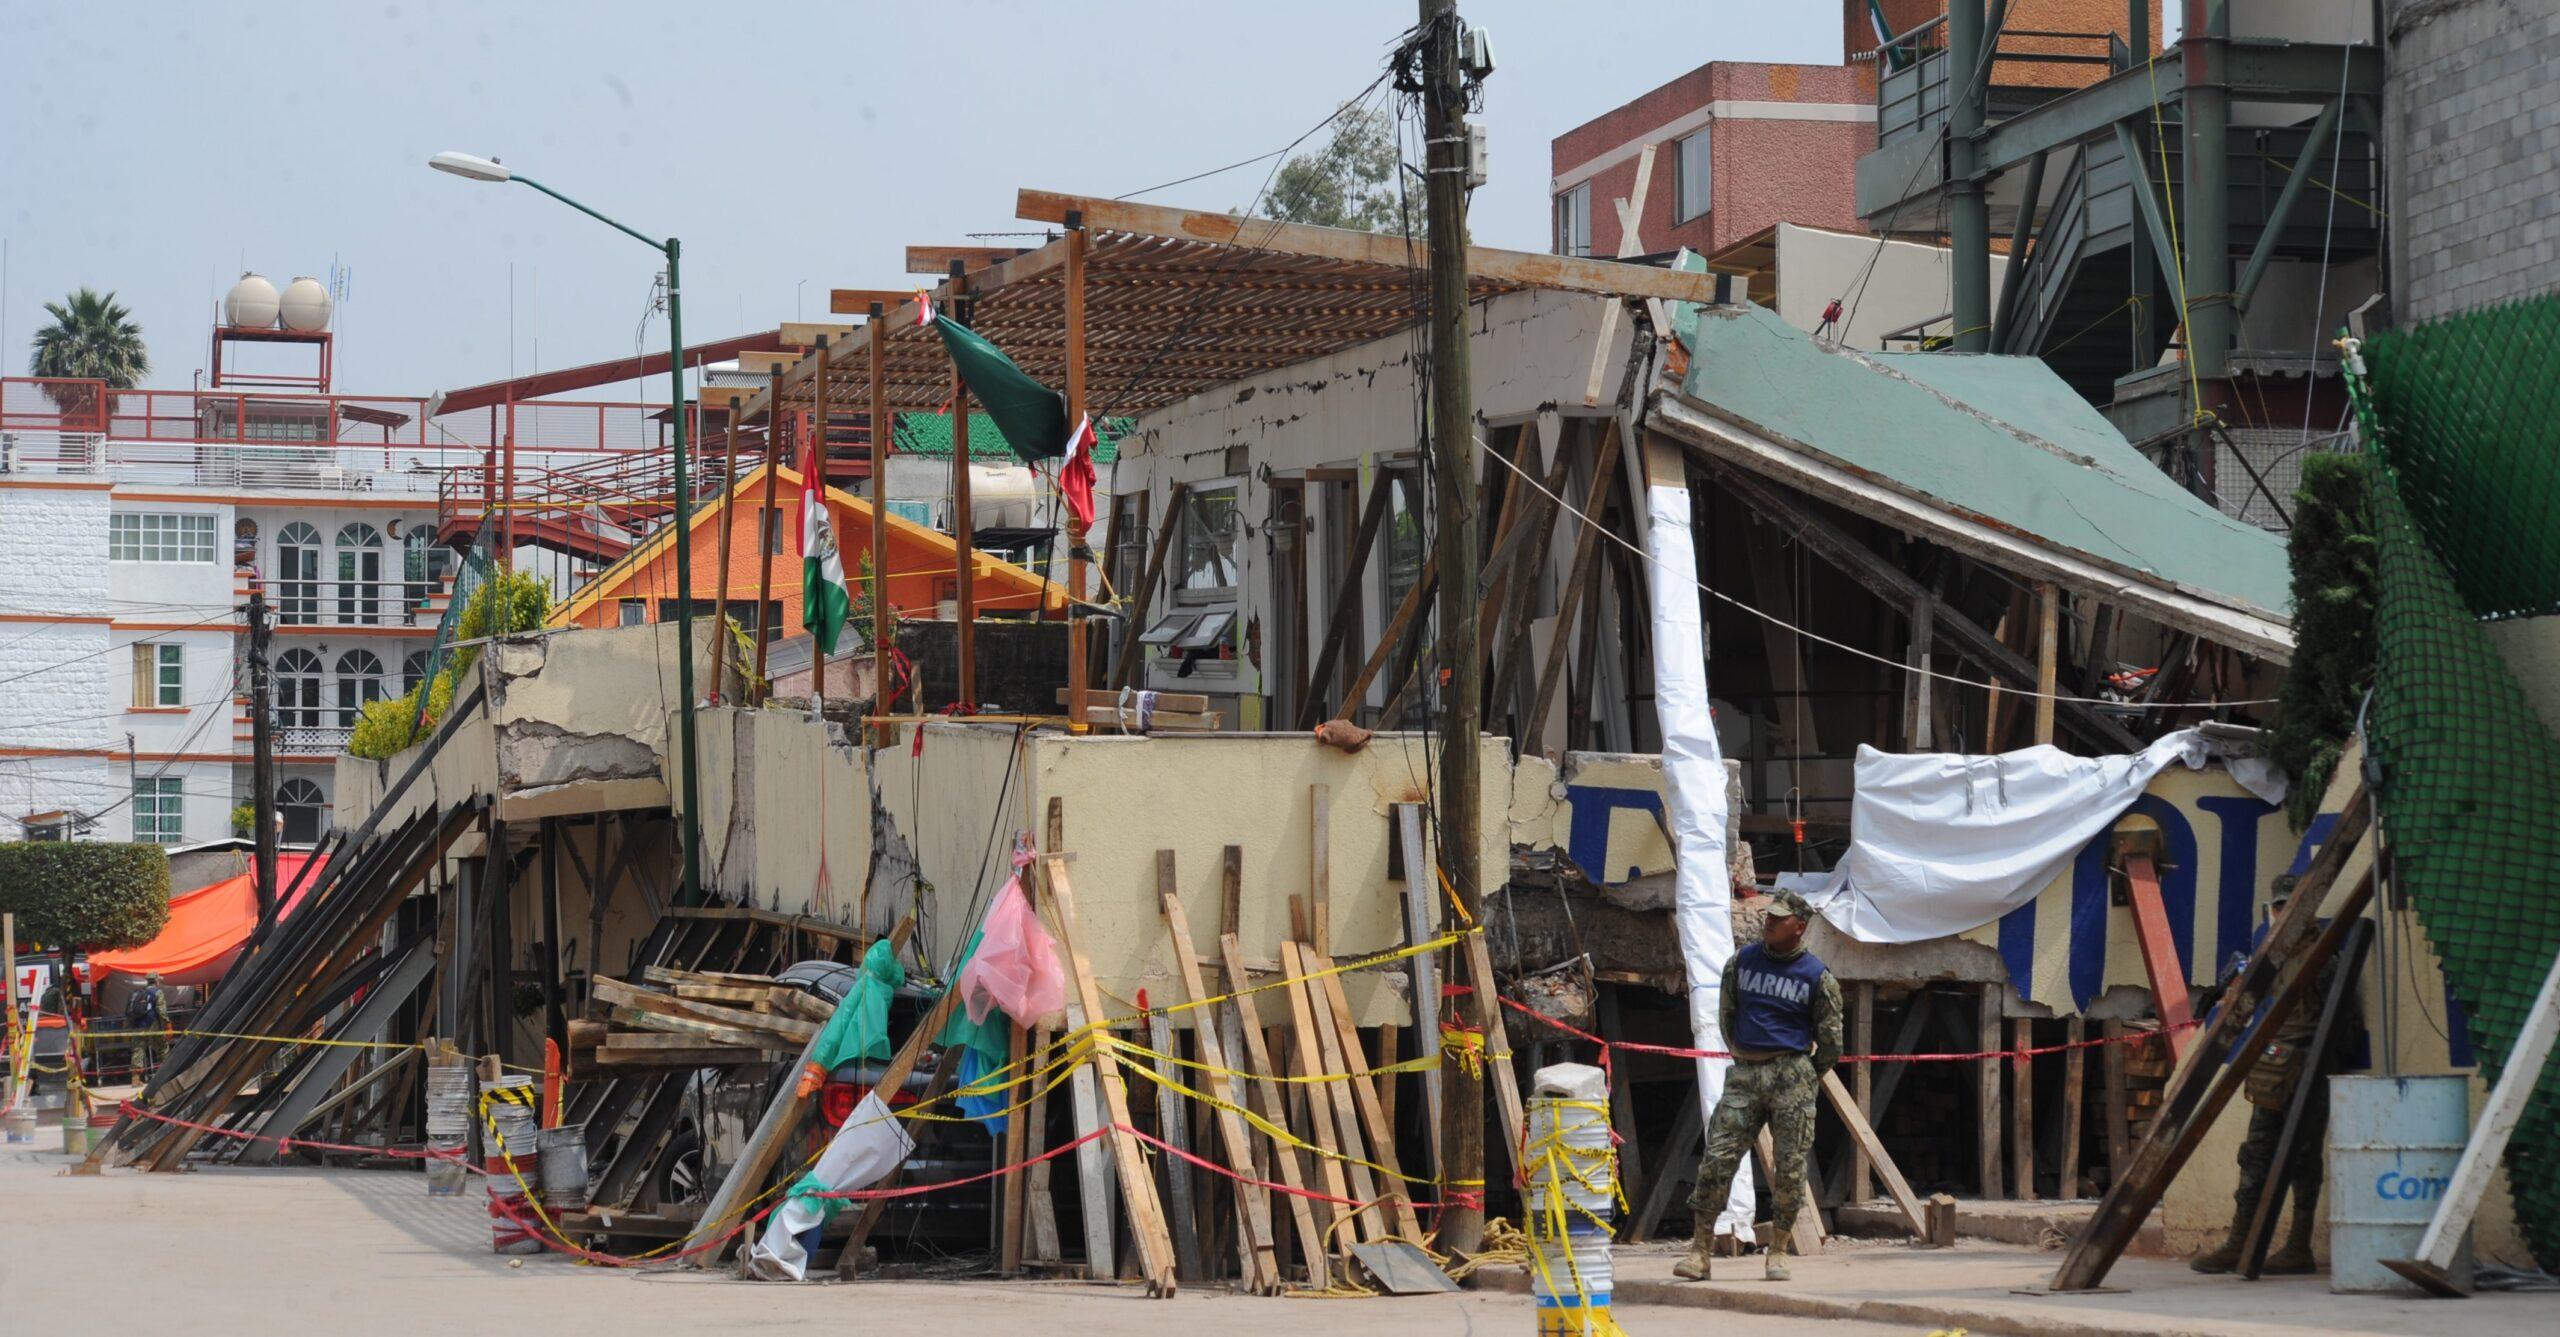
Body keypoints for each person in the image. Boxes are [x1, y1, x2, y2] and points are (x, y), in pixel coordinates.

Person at [2188, 880, 2361, 1276]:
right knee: (2255, 1153)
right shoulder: (2275, 958)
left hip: (2308, 1068)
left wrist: (2320, 1059)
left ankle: (2298, 1246)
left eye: (2291, 907)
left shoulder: (2323, 960)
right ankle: (2238, 1242)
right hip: (2273, 1067)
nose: (2283, 915)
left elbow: (2346, 1023)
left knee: (2302, 1157)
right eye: (2279, 908)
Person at [1676, 888, 1842, 1283]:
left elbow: (1832, 1041)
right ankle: (1700, 1251)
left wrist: (1803, 1073)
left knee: (1789, 1167)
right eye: (1768, 915)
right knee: (1717, 1158)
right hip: (1746, 1073)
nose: (1768, 922)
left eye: (1778, 918)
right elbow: (1726, 1016)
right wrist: (1744, 1055)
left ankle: (1779, 1250)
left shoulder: (1817, 977)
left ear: (1798, 927)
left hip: (1792, 1074)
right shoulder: (1742, 962)